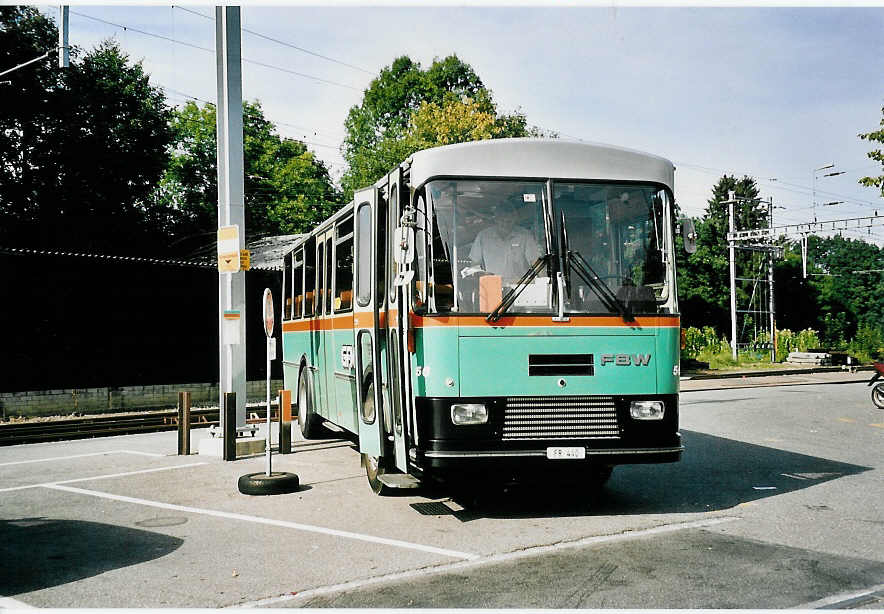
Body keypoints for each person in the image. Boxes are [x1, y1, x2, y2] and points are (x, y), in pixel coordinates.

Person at [467, 205, 542, 283]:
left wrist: (544, 282)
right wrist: (481, 276)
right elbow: (475, 265)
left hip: (519, 286)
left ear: (514, 219)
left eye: (509, 221)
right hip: (492, 286)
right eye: (502, 220)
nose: (505, 224)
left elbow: (536, 262)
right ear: (496, 219)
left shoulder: (525, 236)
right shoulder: (483, 237)